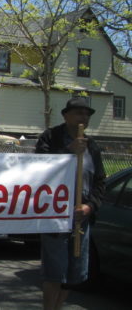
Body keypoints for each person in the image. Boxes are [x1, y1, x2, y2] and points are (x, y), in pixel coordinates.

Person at [35, 96, 105, 310]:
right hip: (55, 215)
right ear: (66, 116)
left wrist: (89, 206)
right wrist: (68, 152)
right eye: (78, 113)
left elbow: (100, 181)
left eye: (87, 114)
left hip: (80, 217)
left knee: (72, 274)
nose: (83, 117)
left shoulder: (92, 146)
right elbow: (38, 169)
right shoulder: (50, 137)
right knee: (55, 272)